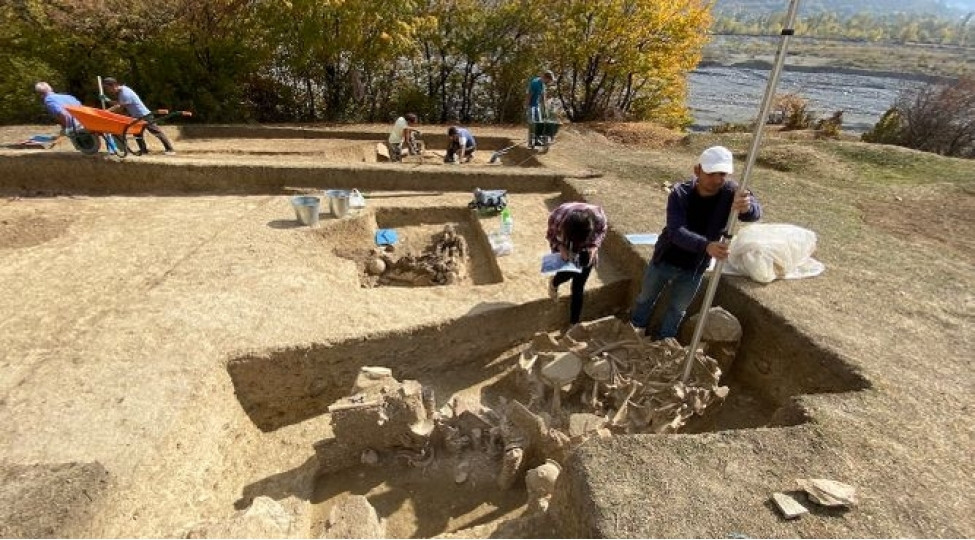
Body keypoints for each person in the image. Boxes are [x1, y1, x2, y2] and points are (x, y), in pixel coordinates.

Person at [629, 146, 762, 339]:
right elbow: (676, 231)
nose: (717, 179)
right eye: (711, 173)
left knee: (678, 309)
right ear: (697, 170)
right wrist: (706, 246)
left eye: (722, 174)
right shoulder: (680, 194)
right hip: (666, 259)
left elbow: (755, 213)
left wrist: (747, 208)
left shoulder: (731, 192)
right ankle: (635, 329)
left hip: (694, 267)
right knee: (645, 298)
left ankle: (664, 342)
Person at [546, 202, 608, 326]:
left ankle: (574, 324)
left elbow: (601, 232)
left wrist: (594, 247)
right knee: (567, 273)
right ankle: (554, 282)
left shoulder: (599, 218)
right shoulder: (557, 218)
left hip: (587, 245)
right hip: (566, 243)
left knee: (578, 286)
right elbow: (550, 236)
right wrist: (561, 247)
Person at [102, 77, 176, 155]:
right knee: (137, 133)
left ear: (113, 85)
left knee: (156, 131)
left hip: (144, 115)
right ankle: (143, 150)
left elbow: (119, 107)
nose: (108, 91)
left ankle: (170, 149)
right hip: (137, 116)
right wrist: (108, 100)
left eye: (108, 88)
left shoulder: (125, 93)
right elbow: (119, 104)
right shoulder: (122, 91)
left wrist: (106, 112)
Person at [525, 70, 554, 149]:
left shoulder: (543, 84)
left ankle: (537, 141)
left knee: (539, 123)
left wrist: (545, 109)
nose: (549, 82)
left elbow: (543, 96)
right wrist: (527, 107)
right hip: (531, 106)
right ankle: (530, 143)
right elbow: (529, 95)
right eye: (549, 80)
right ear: (545, 78)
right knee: (532, 124)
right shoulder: (535, 83)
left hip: (537, 106)